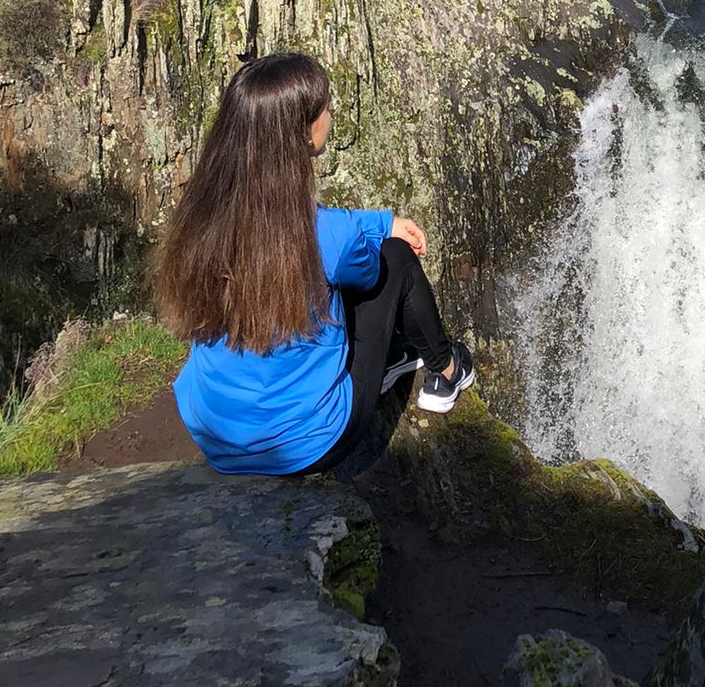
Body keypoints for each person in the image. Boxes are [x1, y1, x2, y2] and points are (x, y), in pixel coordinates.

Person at [158, 51, 474, 476]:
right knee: (394, 257)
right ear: (304, 134)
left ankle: (396, 358)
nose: (330, 112)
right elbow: (365, 270)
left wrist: (382, 220)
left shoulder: (201, 216)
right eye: (324, 106)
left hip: (215, 432)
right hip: (308, 443)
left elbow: (326, 231)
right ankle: (447, 368)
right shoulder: (322, 236)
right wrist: (384, 232)